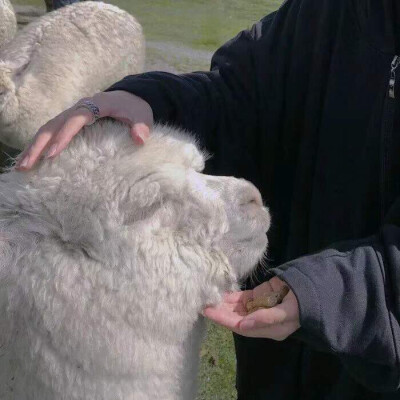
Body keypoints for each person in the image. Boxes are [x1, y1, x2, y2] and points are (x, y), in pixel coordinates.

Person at [16, 0, 400, 398]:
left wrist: (330, 296)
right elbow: (237, 95)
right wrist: (149, 103)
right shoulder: (332, 13)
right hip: (279, 359)